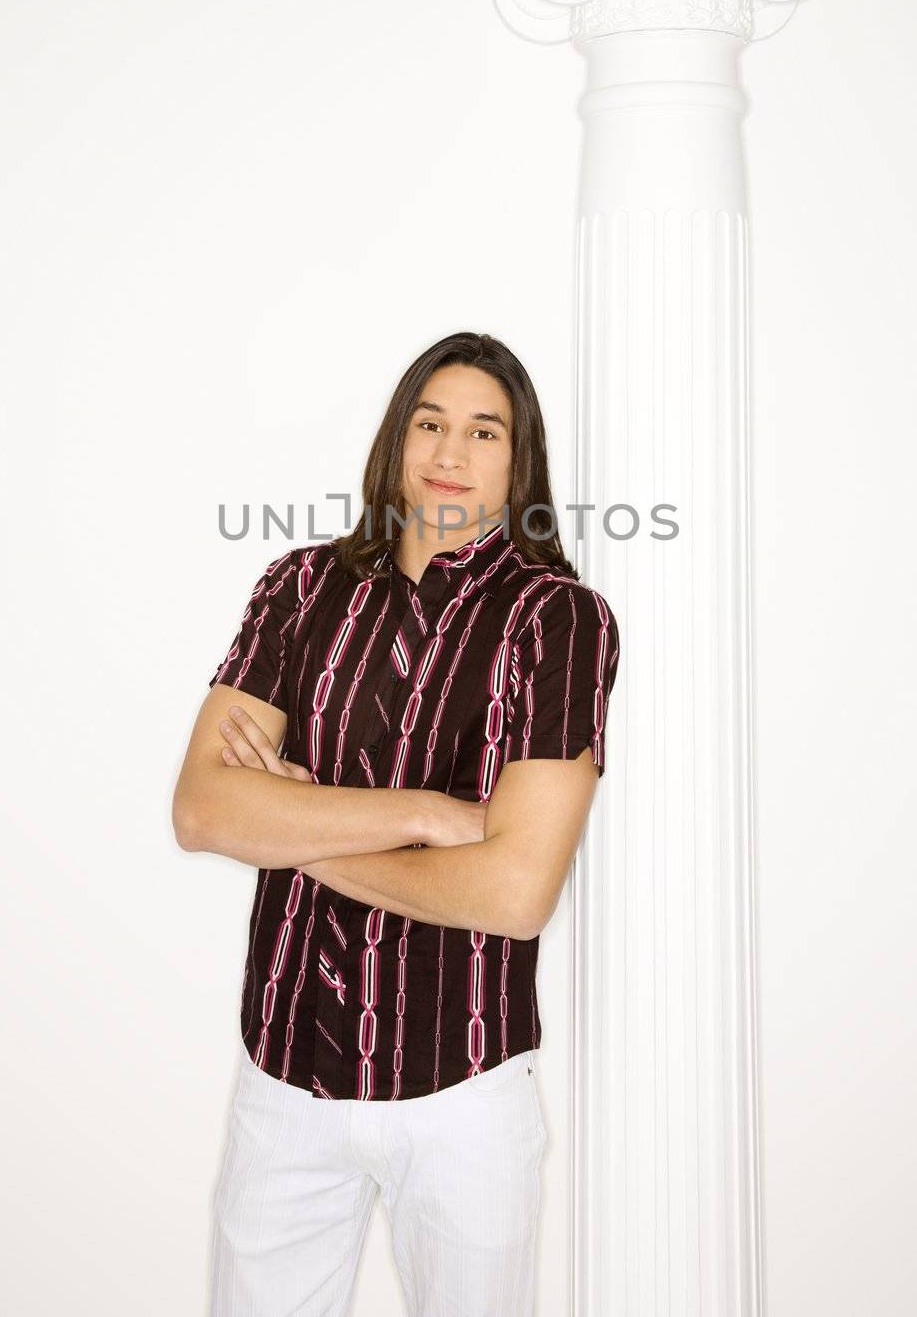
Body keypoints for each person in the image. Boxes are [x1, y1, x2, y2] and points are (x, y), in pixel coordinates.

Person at [172, 330, 621, 1317]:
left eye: (482, 430)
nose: (448, 453)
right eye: (429, 421)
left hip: (462, 1094)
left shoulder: (558, 621)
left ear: (520, 462)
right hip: (284, 1080)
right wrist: (422, 816)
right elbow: (205, 810)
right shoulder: (297, 589)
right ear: (396, 437)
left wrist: (291, 822)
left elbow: (513, 893)